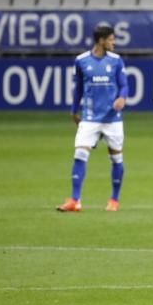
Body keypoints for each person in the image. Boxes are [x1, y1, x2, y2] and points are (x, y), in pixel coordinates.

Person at [56, 22, 128, 213]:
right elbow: (78, 88)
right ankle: (74, 200)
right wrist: (73, 110)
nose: (114, 43)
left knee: (116, 159)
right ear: (101, 41)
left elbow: (124, 85)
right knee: (79, 154)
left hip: (112, 118)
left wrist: (122, 97)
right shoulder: (81, 61)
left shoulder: (116, 60)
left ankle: (114, 200)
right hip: (89, 118)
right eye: (111, 39)